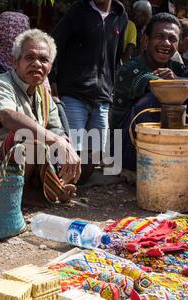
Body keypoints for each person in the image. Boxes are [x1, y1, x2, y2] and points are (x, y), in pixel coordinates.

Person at [0, 29, 81, 204]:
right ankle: (23, 195)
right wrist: (55, 140)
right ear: (15, 62)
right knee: (28, 138)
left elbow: (57, 129)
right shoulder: (0, 84)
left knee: (67, 148)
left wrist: (65, 145)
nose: (37, 64)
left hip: (18, 165)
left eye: (44, 60)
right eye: (29, 58)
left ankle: (51, 187)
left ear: (50, 67)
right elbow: (7, 116)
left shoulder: (43, 93)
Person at [112, 13, 188, 170]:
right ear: (145, 40)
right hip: (124, 149)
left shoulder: (174, 67)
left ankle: (186, 151)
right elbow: (166, 92)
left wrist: (177, 79)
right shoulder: (131, 68)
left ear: (178, 45)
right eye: (159, 36)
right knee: (157, 97)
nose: (166, 43)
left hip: (157, 144)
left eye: (172, 39)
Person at [50, 0, 128, 183]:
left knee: (94, 155)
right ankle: (59, 188)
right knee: (71, 151)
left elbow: (116, 57)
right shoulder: (77, 11)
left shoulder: (120, 16)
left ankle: (71, 186)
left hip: (103, 97)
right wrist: (52, 80)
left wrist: (111, 89)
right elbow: (54, 46)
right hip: (74, 93)